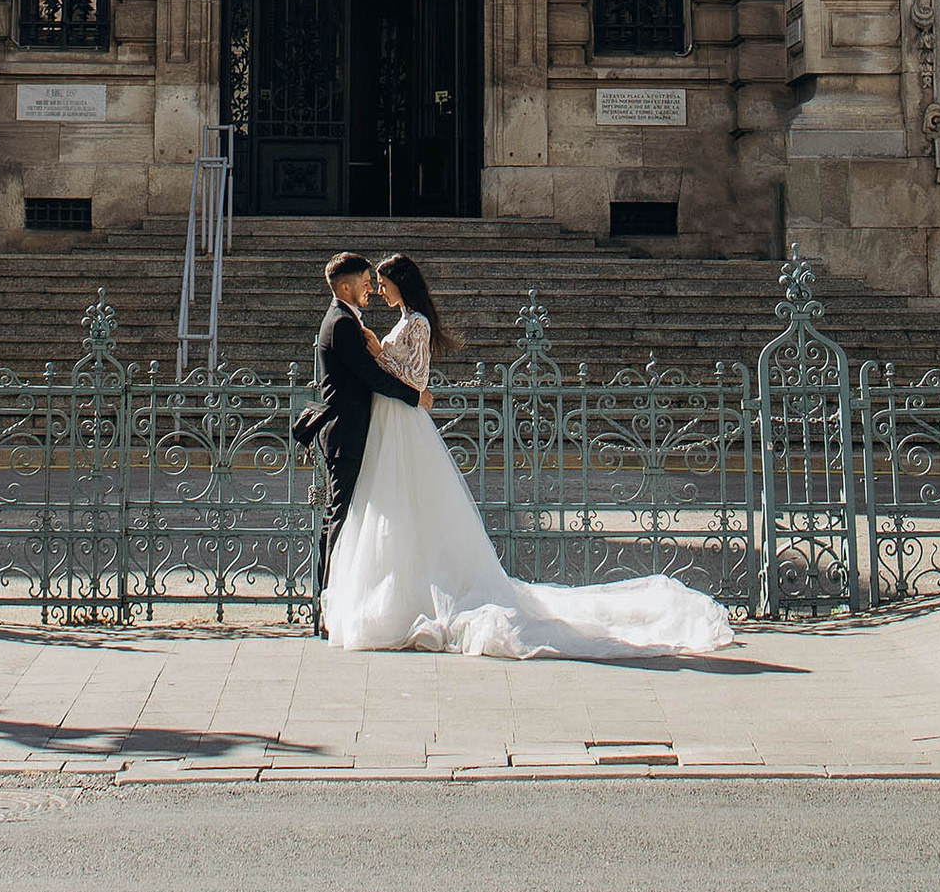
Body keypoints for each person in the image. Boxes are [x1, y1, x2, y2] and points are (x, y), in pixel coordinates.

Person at [319, 249, 738, 659]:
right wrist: (383, 357)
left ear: (401, 285)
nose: (377, 290)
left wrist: (395, 372)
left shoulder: (417, 324)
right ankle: (388, 592)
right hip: (391, 420)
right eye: (372, 284)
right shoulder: (380, 323)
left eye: (384, 284)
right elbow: (389, 372)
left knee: (408, 505)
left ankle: (404, 595)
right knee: (393, 507)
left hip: (402, 417)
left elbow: (413, 374)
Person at [295, 249, 421, 631]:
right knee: (340, 518)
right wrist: (415, 397)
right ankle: (326, 608)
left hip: (353, 430)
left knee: (346, 517)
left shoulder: (345, 320)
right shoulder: (341, 324)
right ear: (346, 287)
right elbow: (370, 376)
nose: (371, 290)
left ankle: (336, 604)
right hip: (347, 434)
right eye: (366, 284)